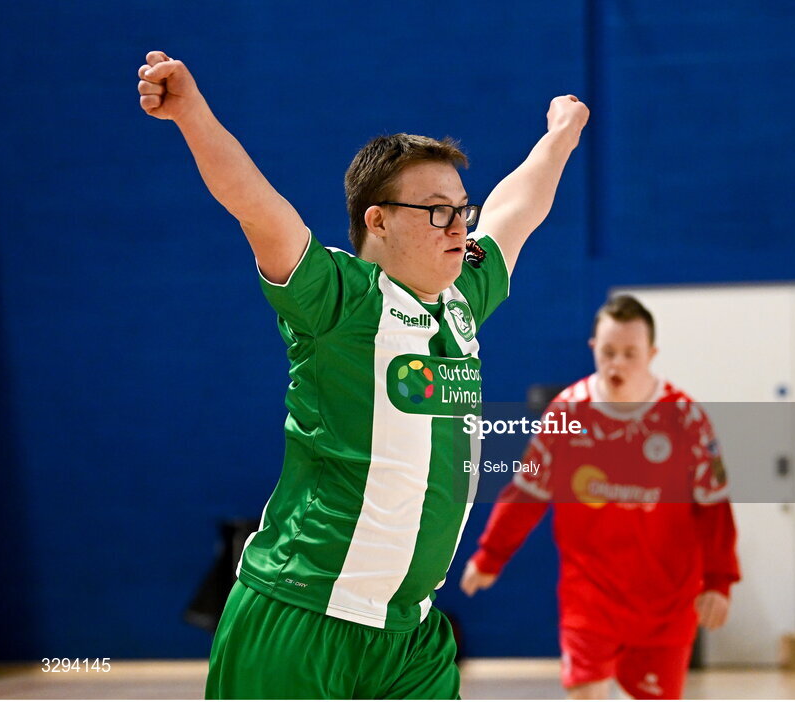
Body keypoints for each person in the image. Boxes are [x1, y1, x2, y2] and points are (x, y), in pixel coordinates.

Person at [137, 50, 588, 699]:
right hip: (300, 617)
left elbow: (517, 208)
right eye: (439, 211)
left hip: (410, 637)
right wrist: (190, 112)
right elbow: (258, 206)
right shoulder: (339, 299)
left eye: (463, 209)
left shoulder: (464, 298)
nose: (461, 227)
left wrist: (560, 136)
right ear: (377, 219)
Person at [461, 295, 740, 700]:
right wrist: (491, 555)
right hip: (589, 598)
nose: (618, 365)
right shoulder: (567, 413)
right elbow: (527, 491)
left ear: (652, 354)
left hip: (666, 604)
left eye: (631, 353)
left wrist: (719, 581)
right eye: (608, 352)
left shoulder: (685, 419)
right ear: (593, 348)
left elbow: (714, 506)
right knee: (586, 693)